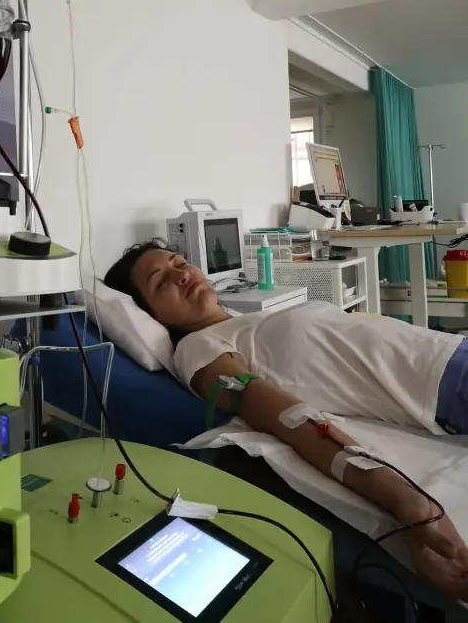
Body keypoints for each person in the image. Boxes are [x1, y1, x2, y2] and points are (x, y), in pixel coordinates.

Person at [104, 240, 468, 601]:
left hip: (448, 350)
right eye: (160, 281)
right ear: (153, 316)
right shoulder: (198, 347)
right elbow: (274, 410)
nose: (181, 274)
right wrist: (402, 498)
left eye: (179, 262)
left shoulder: (242, 321)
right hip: (446, 385)